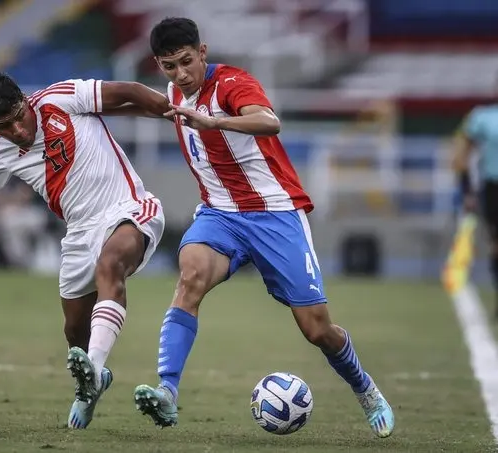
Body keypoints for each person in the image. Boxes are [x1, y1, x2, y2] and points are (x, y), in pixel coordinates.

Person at [128, 17, 395, 438]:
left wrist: (215, 122)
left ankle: (365, 389)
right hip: (220, 215)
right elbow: (139, 102)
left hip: (275, 213)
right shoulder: (175, 95)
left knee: (316, 328)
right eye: (168, 66)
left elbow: (269, 121)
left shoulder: (233, 83)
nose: (180, 74)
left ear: (202, 52)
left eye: (185, 62)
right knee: (191, 276)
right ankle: (167, 390)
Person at [0, 72, 168, 429]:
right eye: (4, 126)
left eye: (18, 116)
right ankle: (94, 383)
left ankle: (95, 369)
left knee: (110, 265)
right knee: (74, 331)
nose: (18, 130)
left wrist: (175, 111)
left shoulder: (63, 97)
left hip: (129, 208)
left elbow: (129, 92)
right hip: (78, 234)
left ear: (25, 100)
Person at [453, 95, 498, 318]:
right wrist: (467, 189)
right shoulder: (484, 117)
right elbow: (464, 152)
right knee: (495, 243)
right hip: (493, 186)